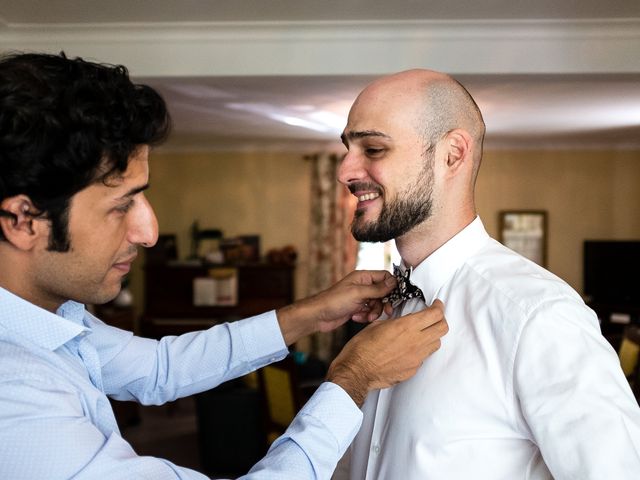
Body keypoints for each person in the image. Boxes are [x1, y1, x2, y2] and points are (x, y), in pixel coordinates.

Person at [0, 53, 449, 480]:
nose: (149, 231)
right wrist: (352, 378)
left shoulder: (50, 318)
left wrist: (311, 312)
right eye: (121, 206)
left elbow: (160, 368)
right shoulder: (15, 397)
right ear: (23, 221)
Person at [333, 69, 640, 479]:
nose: (345, 171)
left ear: (453, 154)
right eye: (348, 148)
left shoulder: (538, 317)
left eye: (372, 148)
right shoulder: (380, 307)